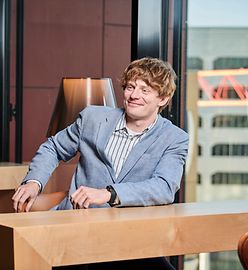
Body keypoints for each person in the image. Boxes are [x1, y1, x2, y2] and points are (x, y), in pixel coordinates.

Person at [12, 57, 189, 270]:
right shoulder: (92, 118)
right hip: (74, 233)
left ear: (163, 98)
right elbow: (54, 148)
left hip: (130, 240)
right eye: (131, 87)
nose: (134, 95)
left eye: (145, 90)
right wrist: (34, 182)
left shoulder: (175, 138)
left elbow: (164, 187)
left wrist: (109, 193)